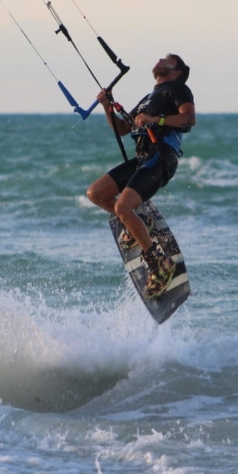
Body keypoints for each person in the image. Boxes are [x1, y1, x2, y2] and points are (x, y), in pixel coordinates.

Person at [87, 53, 196, 298]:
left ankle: (160, 264)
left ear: (176, 71)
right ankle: (140, 224)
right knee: (96, 193)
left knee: (123, 208)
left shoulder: (178, 89)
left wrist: (155, 119)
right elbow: (125, 128)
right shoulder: (149, 97)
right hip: (143, 158)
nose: (160, 58)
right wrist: (107, 106)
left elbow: (189, 118)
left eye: (168, 59)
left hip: (161, 157)